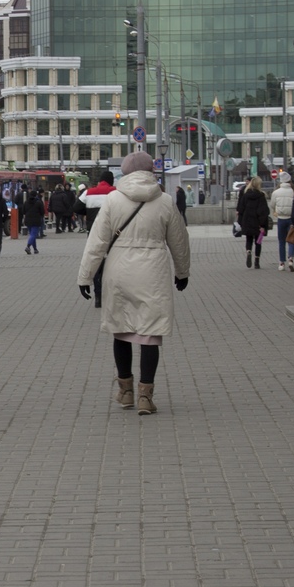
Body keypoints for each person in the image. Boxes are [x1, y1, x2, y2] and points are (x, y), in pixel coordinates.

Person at [77, 151, 190, 416]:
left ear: (125, 172)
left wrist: (85, 276)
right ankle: (145, 396)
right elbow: (179, 240)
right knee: (150, 335)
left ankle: (125, 391)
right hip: (154, 272)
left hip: (119, 271)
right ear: (152, 171)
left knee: (121, 329)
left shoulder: (113, 200)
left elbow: (97, 241)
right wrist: (182, 272)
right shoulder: (164, 201)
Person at [236, 176, 271, 269]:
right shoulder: (261, 196)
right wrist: (263, 224)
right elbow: (263, 211)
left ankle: (248, 251)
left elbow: (241, 209)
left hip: (247, 220)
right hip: (258, 222)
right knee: (258, 242)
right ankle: (257, 261)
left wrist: (241, 221)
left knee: (249, 239)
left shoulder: (246, 195)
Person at [270, 170, 294, 271]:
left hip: (281, 219)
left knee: (281, 241)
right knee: (291, 240)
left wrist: (276, 211)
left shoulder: (276, 192)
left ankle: (281, 263)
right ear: (289, 181)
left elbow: (272, 205)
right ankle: (290, 259)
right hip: (291, 219)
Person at [82, 171, 116, 235]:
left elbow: (76, 208)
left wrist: (88, 212)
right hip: (110, 228)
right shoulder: (116, 191)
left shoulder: (88, 192)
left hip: (92, 227)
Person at [23, 189, 45, 254]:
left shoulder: (26, 202)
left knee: (32, 235)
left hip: (28, 220)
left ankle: (35, 249)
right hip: (36, 220)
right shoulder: (39, 202)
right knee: (33, 235)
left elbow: (23, 211)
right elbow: (42, 212)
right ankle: (28, 247)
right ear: (36, 195)